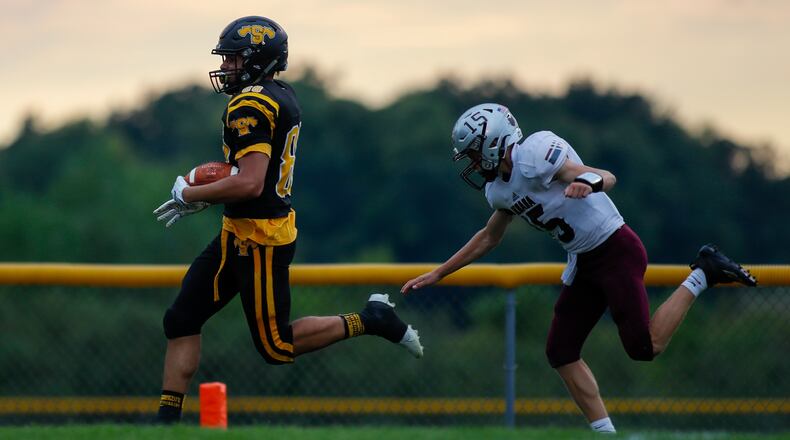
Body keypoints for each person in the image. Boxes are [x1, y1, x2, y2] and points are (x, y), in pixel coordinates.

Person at [400, 103, 757, 433]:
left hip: (615, 249)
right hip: (584, 259)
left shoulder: (535, 154)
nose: (473, 165)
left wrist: (585, 183)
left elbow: (606, 176)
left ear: (493, 142)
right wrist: (439, 272)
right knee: (561, 350)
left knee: (644, 347)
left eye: (475, 154)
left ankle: (703, 273)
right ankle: (605, 433)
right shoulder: (498, 191)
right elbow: (488, 237)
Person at [152, 16, 422, 424]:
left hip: (260, 237)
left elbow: (249, 183)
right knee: (181, 319)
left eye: (233, 59)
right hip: (238, 231)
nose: (226, 67)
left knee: (276, 347)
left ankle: (370, 319)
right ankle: (165, 423)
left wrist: (191, 193)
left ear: (257, 59)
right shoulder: (281, 93)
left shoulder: (249, 104)